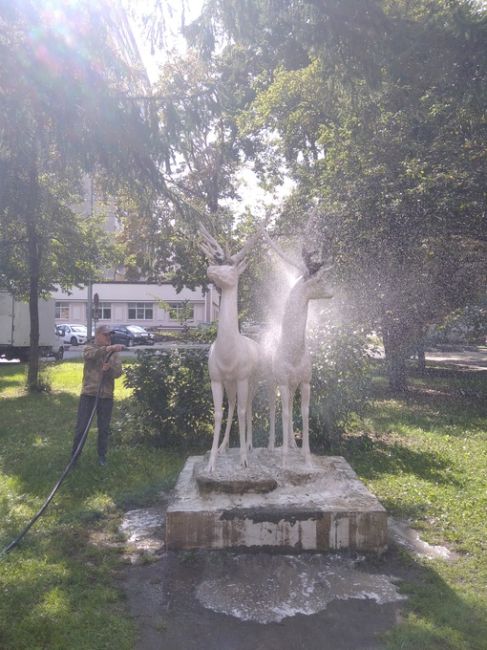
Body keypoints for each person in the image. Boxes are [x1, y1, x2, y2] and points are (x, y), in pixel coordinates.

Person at [72, 324, 125, 466]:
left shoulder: (115, 354)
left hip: (106, 396)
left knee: (104, 428)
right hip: (89, 394)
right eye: (106, 335)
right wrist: (109, 349)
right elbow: (91, 355)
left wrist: (109, 369)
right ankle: (74, 457)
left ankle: (102, 457)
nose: (109, 338)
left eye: (110, 335)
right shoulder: (90, 348)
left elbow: (118, 373)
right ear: (98, 335)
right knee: (81, 427)